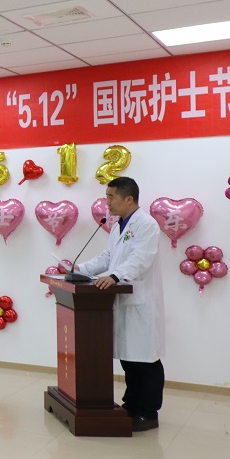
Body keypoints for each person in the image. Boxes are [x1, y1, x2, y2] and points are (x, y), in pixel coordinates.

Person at [70, 176, 165, 432]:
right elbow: (109, 256)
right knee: (129, 358)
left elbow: (141, 258)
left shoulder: (146, 225)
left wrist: (115, 275)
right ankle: (131, 405)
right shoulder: (117, 226)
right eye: (106, 197)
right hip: (122, 300)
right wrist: (80, 269)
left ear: (129, 198)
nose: (107, 203)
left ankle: (148, 413)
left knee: (146, 359)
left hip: (140, 300)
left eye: (111, 197)